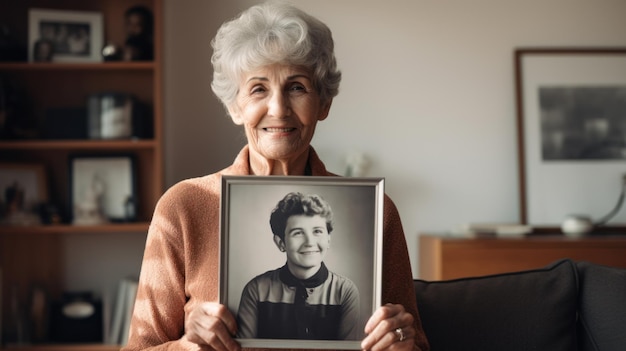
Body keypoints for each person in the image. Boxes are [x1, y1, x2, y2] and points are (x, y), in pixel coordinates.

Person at [123, 2, 429, 351]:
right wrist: (187, 345)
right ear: (234, 106)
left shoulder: (379, 212)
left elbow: (416, 341)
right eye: (258, 89)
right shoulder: (184, 206)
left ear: (323, 103)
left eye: (297, 87)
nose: (279, 109)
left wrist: (403, 342)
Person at [237, 192, 360, 340]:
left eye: (317, 231)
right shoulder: (256, 290)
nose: (309, 242)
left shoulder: (344, 291)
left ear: (328, 239)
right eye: (298, 233)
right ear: (281, 243)